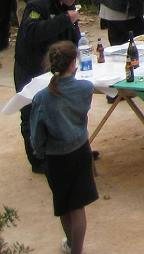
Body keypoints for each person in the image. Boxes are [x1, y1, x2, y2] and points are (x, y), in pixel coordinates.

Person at [30, 41, 98, 254]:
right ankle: (76, 249)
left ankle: (70, 244)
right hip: (79, 149)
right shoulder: (85, 88)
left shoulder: (42, 97)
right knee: (78, 206)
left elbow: (36, 133)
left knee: (63, 205)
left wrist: (40, 153)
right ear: (73, 64)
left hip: (56, 156)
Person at [14, 0, 83, 173]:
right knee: (32, 113)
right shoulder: (38, 3)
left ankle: (66, 153)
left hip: (54, 67)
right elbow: (31, 32)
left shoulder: (66, 2)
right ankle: (38, 160)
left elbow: (71, 30)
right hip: (31, 66)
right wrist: (64, 20)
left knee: (59, 111)